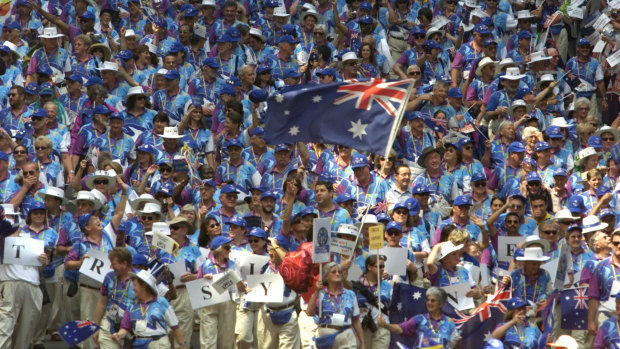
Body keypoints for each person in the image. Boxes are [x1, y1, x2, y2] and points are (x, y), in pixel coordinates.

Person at [112, 269, 186, 348]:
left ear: (144, 286)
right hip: (138, 344)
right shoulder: (132, 305)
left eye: (135, 285)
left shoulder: (161, 302)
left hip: (158, 344)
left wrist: (181, 345)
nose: (132, 288)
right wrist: (118, 335)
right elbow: (125, 327)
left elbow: (175, 326)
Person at [196, 236, 247, 349]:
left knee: (226, 341)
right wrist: (204, 279)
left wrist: (236, 278)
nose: (230, 250)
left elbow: (243, 289)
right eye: (227, 248)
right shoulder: (205, 265)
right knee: (208, 342)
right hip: (209, 304)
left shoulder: (233, 265)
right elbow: (196, 288)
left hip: (228, 303)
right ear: (218, 250)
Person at [307, 261, 365, 349]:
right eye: (333, 272)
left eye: (340, 272)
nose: (337, 274)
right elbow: (309, 312)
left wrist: (362, 343)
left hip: (346, 335)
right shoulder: (320, 294)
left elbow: (356, 320)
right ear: (326, 276)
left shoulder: (350, 294)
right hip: (326, 337)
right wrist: (316, 292)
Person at [377, 287, 459, 348]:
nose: (429, 303)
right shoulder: (420, 319)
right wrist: (386, 325)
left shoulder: (449, 322)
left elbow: (454, 344)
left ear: (441, 304)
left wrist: (457, 342)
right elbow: (400, 329)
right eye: (427, 300)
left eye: (433, 300)